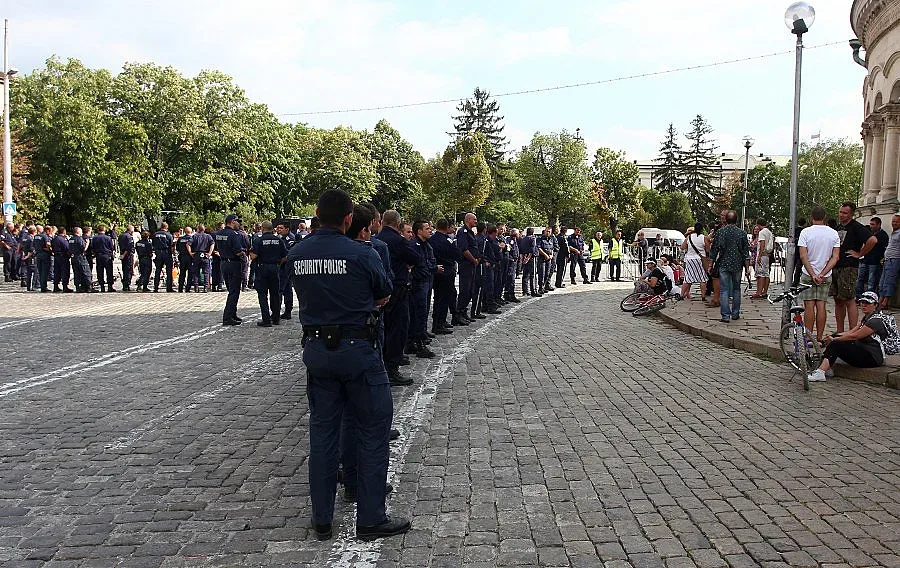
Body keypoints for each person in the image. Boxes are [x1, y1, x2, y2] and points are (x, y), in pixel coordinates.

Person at [287, 188, 409, 542]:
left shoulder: (297, 253)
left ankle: (322, 518)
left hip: (316, 350)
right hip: (358, 349)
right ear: (346, 219)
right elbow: (384, 292)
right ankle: (370, 517)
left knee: (324, 433)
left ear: (315, 213)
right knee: (373, 430)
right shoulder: (361, 253)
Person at [808, 292, 888, 382]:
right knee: (836, 337)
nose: (864, 305)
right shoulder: (867, 317)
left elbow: (855, 336)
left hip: (872, 358)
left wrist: (834, 340)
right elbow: (851, 332)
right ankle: (827, 367)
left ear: (875, 305)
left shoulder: (875, 321)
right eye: (862, 303)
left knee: (836, 344)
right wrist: (833, 336)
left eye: (867, 303)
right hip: (864, 349)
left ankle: (821, 372)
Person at [377, 209, 418, 386]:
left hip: (382, 288)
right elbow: (414, 257)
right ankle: (392, 367)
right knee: (397, 328)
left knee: (383, 327)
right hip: (398, 287)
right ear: (398, 223)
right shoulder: (397, 240)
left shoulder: (377, 239)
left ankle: (383, 363)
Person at [832, 202, 877, 334]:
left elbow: (872, 240)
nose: (842, 215)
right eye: (840, 212)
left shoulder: (857, 227)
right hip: (836, 265)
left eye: (845, 213)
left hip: (849, 266)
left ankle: (852, 331)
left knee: (849, 299)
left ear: (851, 214)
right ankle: (840, 330)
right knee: (837, 299)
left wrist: (860, 254)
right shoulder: (838, 227)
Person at [798, 205, 841, 342]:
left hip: (808, 273)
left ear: (811, 217)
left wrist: (812, 274)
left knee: (809, 305)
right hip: (825, 274)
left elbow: (803, 256)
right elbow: (835, 257)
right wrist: (822, 273)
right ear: (825, 217)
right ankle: (819, 336)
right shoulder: (833, 233)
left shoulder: (805, 232)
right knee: (821, 305)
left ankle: (808, 336)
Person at [709, 210, 749, 323]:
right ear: (736, 220)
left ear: (726, 219)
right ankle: (735, 313)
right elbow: (745, 252)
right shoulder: (742, 233)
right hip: (737, 264)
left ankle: (725, 315)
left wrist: (711, 264)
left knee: (724, 290)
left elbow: (714, 249)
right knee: (736, 289)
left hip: (723, 263)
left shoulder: (720, 232)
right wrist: (747, 268)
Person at [249, 221, 287, 327]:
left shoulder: (258, 240)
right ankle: (276, 318)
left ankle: (266, 319)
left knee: (262, 294)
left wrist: (250, 252)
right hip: (275, 268)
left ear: (263, 228)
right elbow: (284, 256)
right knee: (275, 294)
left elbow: (253, 256)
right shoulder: (279, 240)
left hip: (262, 268)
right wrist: (277, 263)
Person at [408, 220, 436, 358]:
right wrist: (430, 269)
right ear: (419, 231)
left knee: (422, 312)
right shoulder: (415, 245)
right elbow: (418, 263)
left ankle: (418, 338)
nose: (430, 230)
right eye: (427, 228)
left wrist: (432, 267)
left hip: (426, 280)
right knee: (418, 312)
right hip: (418, 283)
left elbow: (431, 260)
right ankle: (417, 343)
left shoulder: (426, 244)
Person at [430, 218, 462, 332]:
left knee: (437, 297)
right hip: (447, 271)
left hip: (436, 271)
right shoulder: (448, 240)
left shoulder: (431, 239)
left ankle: (437, 322)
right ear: (447, 227)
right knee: (444, 298)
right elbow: (456, 254)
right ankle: (440, 323)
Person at [215, 214, 248, 325]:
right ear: (232, 221)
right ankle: (228, 316)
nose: (239, 224)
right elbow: (238, 251)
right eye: (238, 222)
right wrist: (244, 253)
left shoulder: (219, 233)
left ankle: (233, 314)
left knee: (231, 290)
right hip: (234, 264)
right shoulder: (233, 235)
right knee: (234, 292)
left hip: (223, 263)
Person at [455, 213, 481, 318]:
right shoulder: (463, 232)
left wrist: (477, 258)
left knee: (470, 290)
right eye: (474, 219)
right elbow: (464, 249)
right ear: (468, 219)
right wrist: (474, 260)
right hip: (466, 265)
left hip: (472, 265)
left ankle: (464, 311)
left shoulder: (470, 232)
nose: (476, 221)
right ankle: (459, 313)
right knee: (465, 290)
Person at [856, 216, 888, 297]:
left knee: (871, 281)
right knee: (860, 278)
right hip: (865, 259)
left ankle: (870, 297)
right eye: (870, 224)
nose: (871, 226)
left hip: (874, 261)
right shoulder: (869, 233)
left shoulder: (882, 235)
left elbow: (882, 247)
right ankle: (859, 295)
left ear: (879, 225)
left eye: (873, 224)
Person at [680, 223, 708, 300]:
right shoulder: (704, 238)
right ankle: (703, 296)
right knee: (703, 278)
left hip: (689, 259)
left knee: (688, 278)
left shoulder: (689, 237)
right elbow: (708, 249)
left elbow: (682, 247)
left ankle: (681, 295)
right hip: (700, 259)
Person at [879, 214, 900, 309]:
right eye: (893, 221)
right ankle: (881, 298)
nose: (894, 223)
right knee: (883, 281)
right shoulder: (893, 233)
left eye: (896, 221)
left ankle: (885, 301)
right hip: (888, 259)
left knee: (889, 280)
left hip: (895, 259)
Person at [752, 219, 774, 299]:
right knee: (766, 273)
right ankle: (765, 292)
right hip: (767, 255)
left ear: (758, 224)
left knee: (760, 274)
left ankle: (759, 292)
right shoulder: (769, 232)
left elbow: (762, 245)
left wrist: (759, 256)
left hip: (762, 255)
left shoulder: (762, 233)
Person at [189, 224, 215, 292]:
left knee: (196, 272)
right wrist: (209, 253)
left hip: (197, 254)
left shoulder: (194, 236)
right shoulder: (208, 236)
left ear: (198, 229)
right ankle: (206, 287)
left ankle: (196, 287)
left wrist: (190, 252)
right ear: (204, 229)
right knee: (206, 272)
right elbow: (212, 244)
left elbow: (188, 244)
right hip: (205, 255)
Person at [152, 222, 175, 293]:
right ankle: (169, 288)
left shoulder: (155, 234)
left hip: (158, 253)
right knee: (169, 271)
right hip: (166, 253)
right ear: (166, 227)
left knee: (158, 271)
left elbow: (153, 244)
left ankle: (156, 287)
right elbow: (171, 245)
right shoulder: (169, 235)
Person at [93, 225, 116, 292]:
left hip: (98, 255)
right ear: (104, 230)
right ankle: (110, 286)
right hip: (106, 256)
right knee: (109, 271)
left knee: (100, 271)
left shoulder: (94, 238)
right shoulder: (108, 238)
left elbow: (93, 247)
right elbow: (111, 247)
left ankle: (102, 286)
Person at [51, 227, 72, 293]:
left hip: (56, 256)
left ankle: (55, 286)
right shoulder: (63, 239)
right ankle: (65, 286)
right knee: (65, 272)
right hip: (63, 257)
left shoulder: (54, 239)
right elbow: (67, 248)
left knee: (57, 272)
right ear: (64, 232)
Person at [519, 227, 538, 297]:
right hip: (531, 258)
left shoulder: (523, 239)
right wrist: (528, 258)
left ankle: (525, 290)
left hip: (524, 256)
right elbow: (532, 249)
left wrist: (523, 258)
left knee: (525, 275)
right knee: (533, 275)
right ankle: (533, 290)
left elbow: (521, 248)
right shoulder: (533, 239)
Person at [535, 227, 554, 294]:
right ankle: (540, 287)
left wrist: (551, 255)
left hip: (549, 259)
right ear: (544, 231)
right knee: (541, 273)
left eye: (549, 231)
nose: (548, 233)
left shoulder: (551, 239)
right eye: (547, 231)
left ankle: (544, 286)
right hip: (542, 258)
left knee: (547, 273)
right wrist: (545, 255)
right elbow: (538, 248)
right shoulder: (540, 239)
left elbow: (552, 248)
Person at [176, 226, 195, 293]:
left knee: (182, 273)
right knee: (190, 273)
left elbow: (177, 248)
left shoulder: (180, 239)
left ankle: (180, 288)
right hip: (190, 257)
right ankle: (188, 288)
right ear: (191, 232)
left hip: (182, 257)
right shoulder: (192, 238)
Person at [119, 225, 136, 292]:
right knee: (129, 270)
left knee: (124, 269)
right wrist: (124, 254)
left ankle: (125, 284)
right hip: (128, 255)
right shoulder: (129, 237)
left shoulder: (121, 235)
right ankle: (126, 285)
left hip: (122, 254)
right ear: (131, 230)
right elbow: (129, 247)